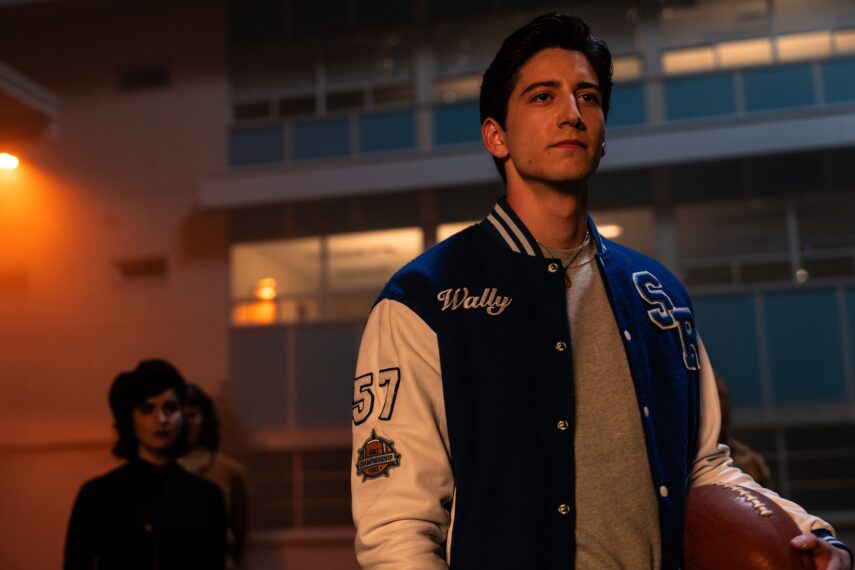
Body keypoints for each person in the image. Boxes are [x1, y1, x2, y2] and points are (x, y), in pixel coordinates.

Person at [350, 12, 853, 570]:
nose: (571, 113)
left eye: (587, 97)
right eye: (543, 97)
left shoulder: (657, 293)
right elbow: (397, 529)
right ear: (496, 135)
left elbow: (704, 468)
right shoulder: (425, 298)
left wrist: (810, 536)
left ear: (605, 131)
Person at [64, 359, 228, 570]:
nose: (161, 419)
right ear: (129, 419)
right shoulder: (98, 496)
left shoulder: (208, 498)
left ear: (183, 416)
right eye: (147, 409)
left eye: (170, 408)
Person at [179, 384, 250, 569]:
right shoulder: (156, 473)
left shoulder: (231, 472)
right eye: (181, 416)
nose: (186, 424)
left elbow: (239, 535)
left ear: (204, 419)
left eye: (192, 415)